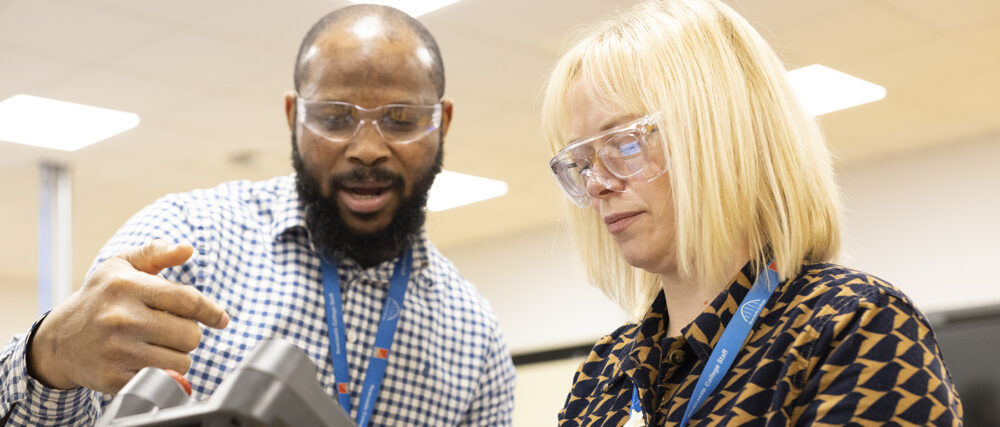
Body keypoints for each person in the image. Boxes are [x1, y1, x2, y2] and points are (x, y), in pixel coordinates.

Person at [0, 5, 515, 426]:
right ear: (294, 117)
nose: (367, 148)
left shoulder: (475, 338)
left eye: (401, 120)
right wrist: (49, 358)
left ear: (443, 122)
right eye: (335, 117)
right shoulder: (185, 247)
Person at [541, 0, 963, 425]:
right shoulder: (604, 372)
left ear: (722, 135)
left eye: (626, 143)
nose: (596, 184)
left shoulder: (851, 326)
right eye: (582, 162)